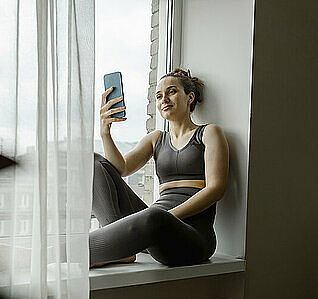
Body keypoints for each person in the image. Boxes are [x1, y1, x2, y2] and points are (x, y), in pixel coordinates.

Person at [90, 68, 229, 267]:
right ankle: (118, 251)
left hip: (190, 237)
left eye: (171, 92)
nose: (164, 98)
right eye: (158, 95)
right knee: (94, 163)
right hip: (153, 227)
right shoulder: (156, 139)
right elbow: (120, 169)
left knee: (153, 216)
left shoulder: (209, 133)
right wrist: (105, 132)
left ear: (190, 97)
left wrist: (167, 216)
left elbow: (216, 189)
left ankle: (63, 253)